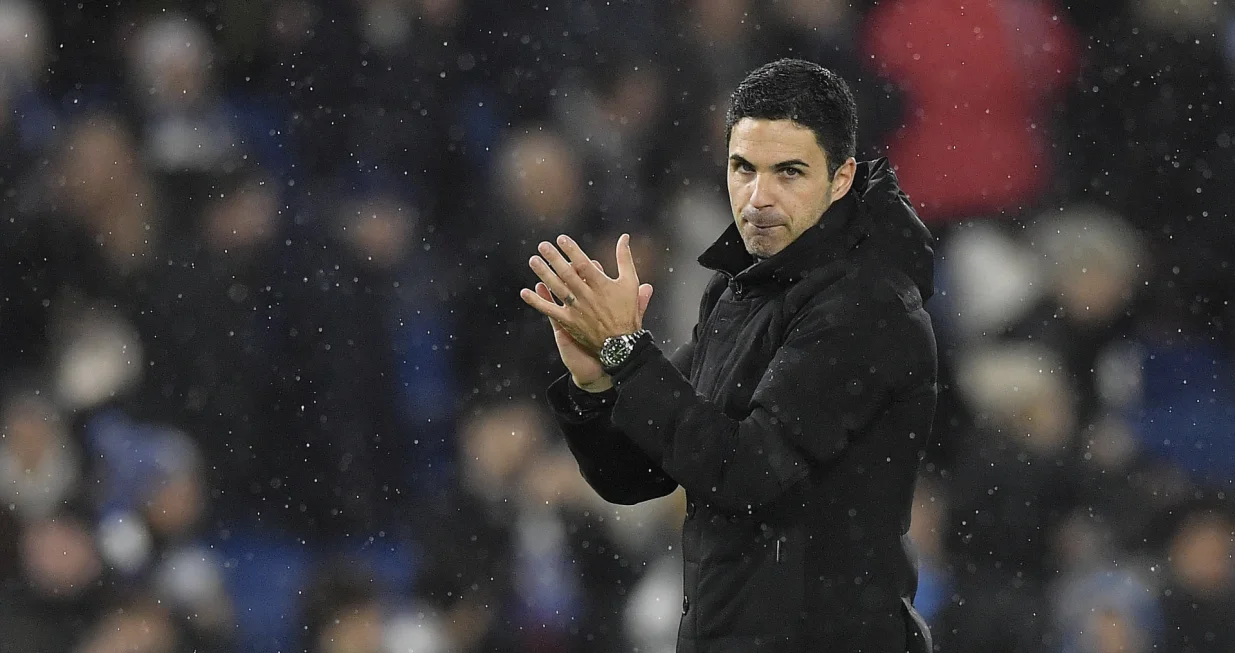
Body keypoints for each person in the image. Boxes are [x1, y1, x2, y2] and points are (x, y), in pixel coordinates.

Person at [520, 58, 937, 653]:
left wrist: (627, 351)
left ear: (841, 177)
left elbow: (747, 473)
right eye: (743, 168)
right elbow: (639, 473)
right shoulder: (741, 289)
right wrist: (598, 384)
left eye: (789, 172)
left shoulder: (867, 307)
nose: (758, 197)